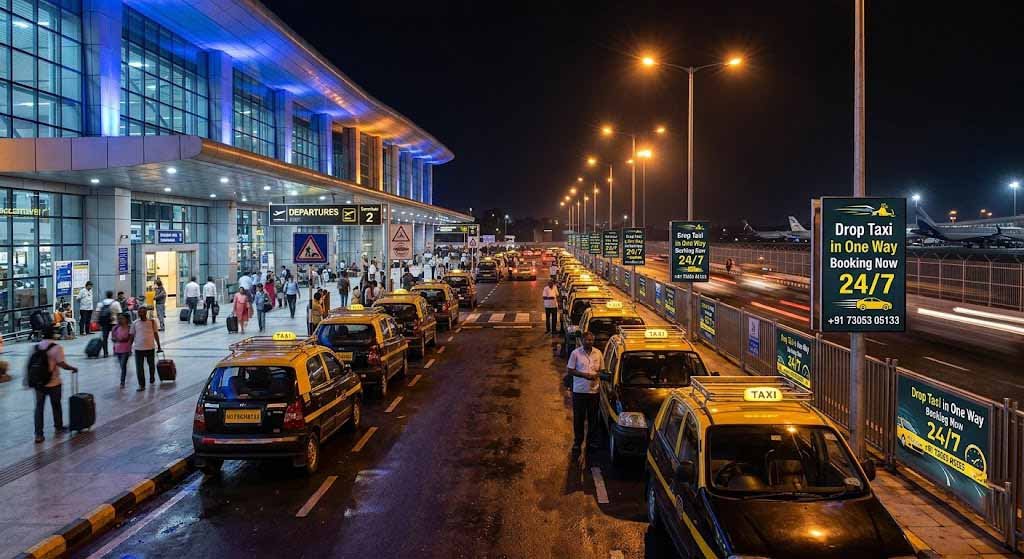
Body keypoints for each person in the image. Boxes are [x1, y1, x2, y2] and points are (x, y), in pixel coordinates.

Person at [31, 326, 77, 442]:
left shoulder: (36, 347)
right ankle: (58, 427)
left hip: (39, 383)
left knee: (39, 408)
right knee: (56, 405)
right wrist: (72, 368)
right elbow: (61, 364)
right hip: (54, 382)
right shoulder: (57, 347)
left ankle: (38, 435)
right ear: (53, 334)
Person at [566, 331, 603, 452]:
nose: (589, 342)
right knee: (579, 418)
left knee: (593, 418)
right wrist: (584, 375)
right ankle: (578, 442)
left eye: (591, 340)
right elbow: (570, 370)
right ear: (582, 340)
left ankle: (591, 441)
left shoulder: (598, 353)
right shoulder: (575, 353)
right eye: (587, 340)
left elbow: (602, 370)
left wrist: (596, 375)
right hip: (579, 391)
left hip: (594, 392)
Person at [130, 306, 161, 391]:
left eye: (143, 312)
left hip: (150, 347)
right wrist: (129, 347)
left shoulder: (152, 322)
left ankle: (152, 377)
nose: (141, 314)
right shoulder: (135, 323)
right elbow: (132, 336)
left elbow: (156, 334)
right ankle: (141, 385)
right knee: (139, 368)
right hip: (138, 349)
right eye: (140, 312)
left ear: (146, 313)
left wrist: (159, 346)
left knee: (151, 365)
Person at [95, 291, 122, 357]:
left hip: (104, 323)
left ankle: (105, 353)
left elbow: (97, 313)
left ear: (106, 295)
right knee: (115, 337)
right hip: (114, 322)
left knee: (105, 338)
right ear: (112, 295)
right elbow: (119, 313)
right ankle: (116, 351)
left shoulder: (101, 303)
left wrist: (98, 322)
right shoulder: (116, 303)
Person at [111, 313, 133, 388]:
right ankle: (122, 380)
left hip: (126, 349)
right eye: (119, 318)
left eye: (122, 318)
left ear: (126, 319)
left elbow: (130, 339)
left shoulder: (129, 328)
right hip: (118, 349)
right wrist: (116, 340)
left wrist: (130, 349)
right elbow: (113, 338)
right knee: (121, 365)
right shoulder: (115, 328)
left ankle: (122, 382)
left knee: (123, 365)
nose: (120, 320)